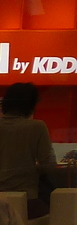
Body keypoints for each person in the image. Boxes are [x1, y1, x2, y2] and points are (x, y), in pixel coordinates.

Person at [0, 82, 56, 216]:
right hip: (26, 201)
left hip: (1, 202)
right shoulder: (37, 127)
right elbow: (49, 166)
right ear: (32, 105)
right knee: (60, 213)